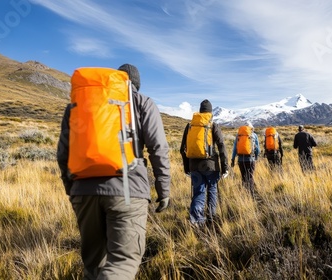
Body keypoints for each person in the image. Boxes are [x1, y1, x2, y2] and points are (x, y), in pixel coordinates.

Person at [56, 63, 171, 279]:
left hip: (84, 192)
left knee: (93, 265)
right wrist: (163, 190)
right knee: (123, 261)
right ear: (135, 84)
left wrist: (72, 189)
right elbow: (158, 149)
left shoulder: (78, 104)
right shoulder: (141, 102)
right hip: (127, 190)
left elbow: (63, 153)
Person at [180, 99, 229, 226]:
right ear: (210, 112)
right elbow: (222, 146)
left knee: (198, 192)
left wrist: (187, 168)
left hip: (194, 166)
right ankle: (211, 218)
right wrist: (225, 168)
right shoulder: (213, 125)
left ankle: (196, 221)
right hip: (211, 166)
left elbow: (182, 149)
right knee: (212, 190)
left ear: (200, 110)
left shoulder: (190, 126)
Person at [231, 122, 260, 198]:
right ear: (251, 128)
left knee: (243, 177)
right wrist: (256, 157)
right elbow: (258, 149)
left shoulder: (239, 135)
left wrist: (233, 159)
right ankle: (251, 195)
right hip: (251, 159)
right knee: (250, 176)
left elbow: (235, 148)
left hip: (241, 160)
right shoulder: (254, 135)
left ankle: (245, 194)